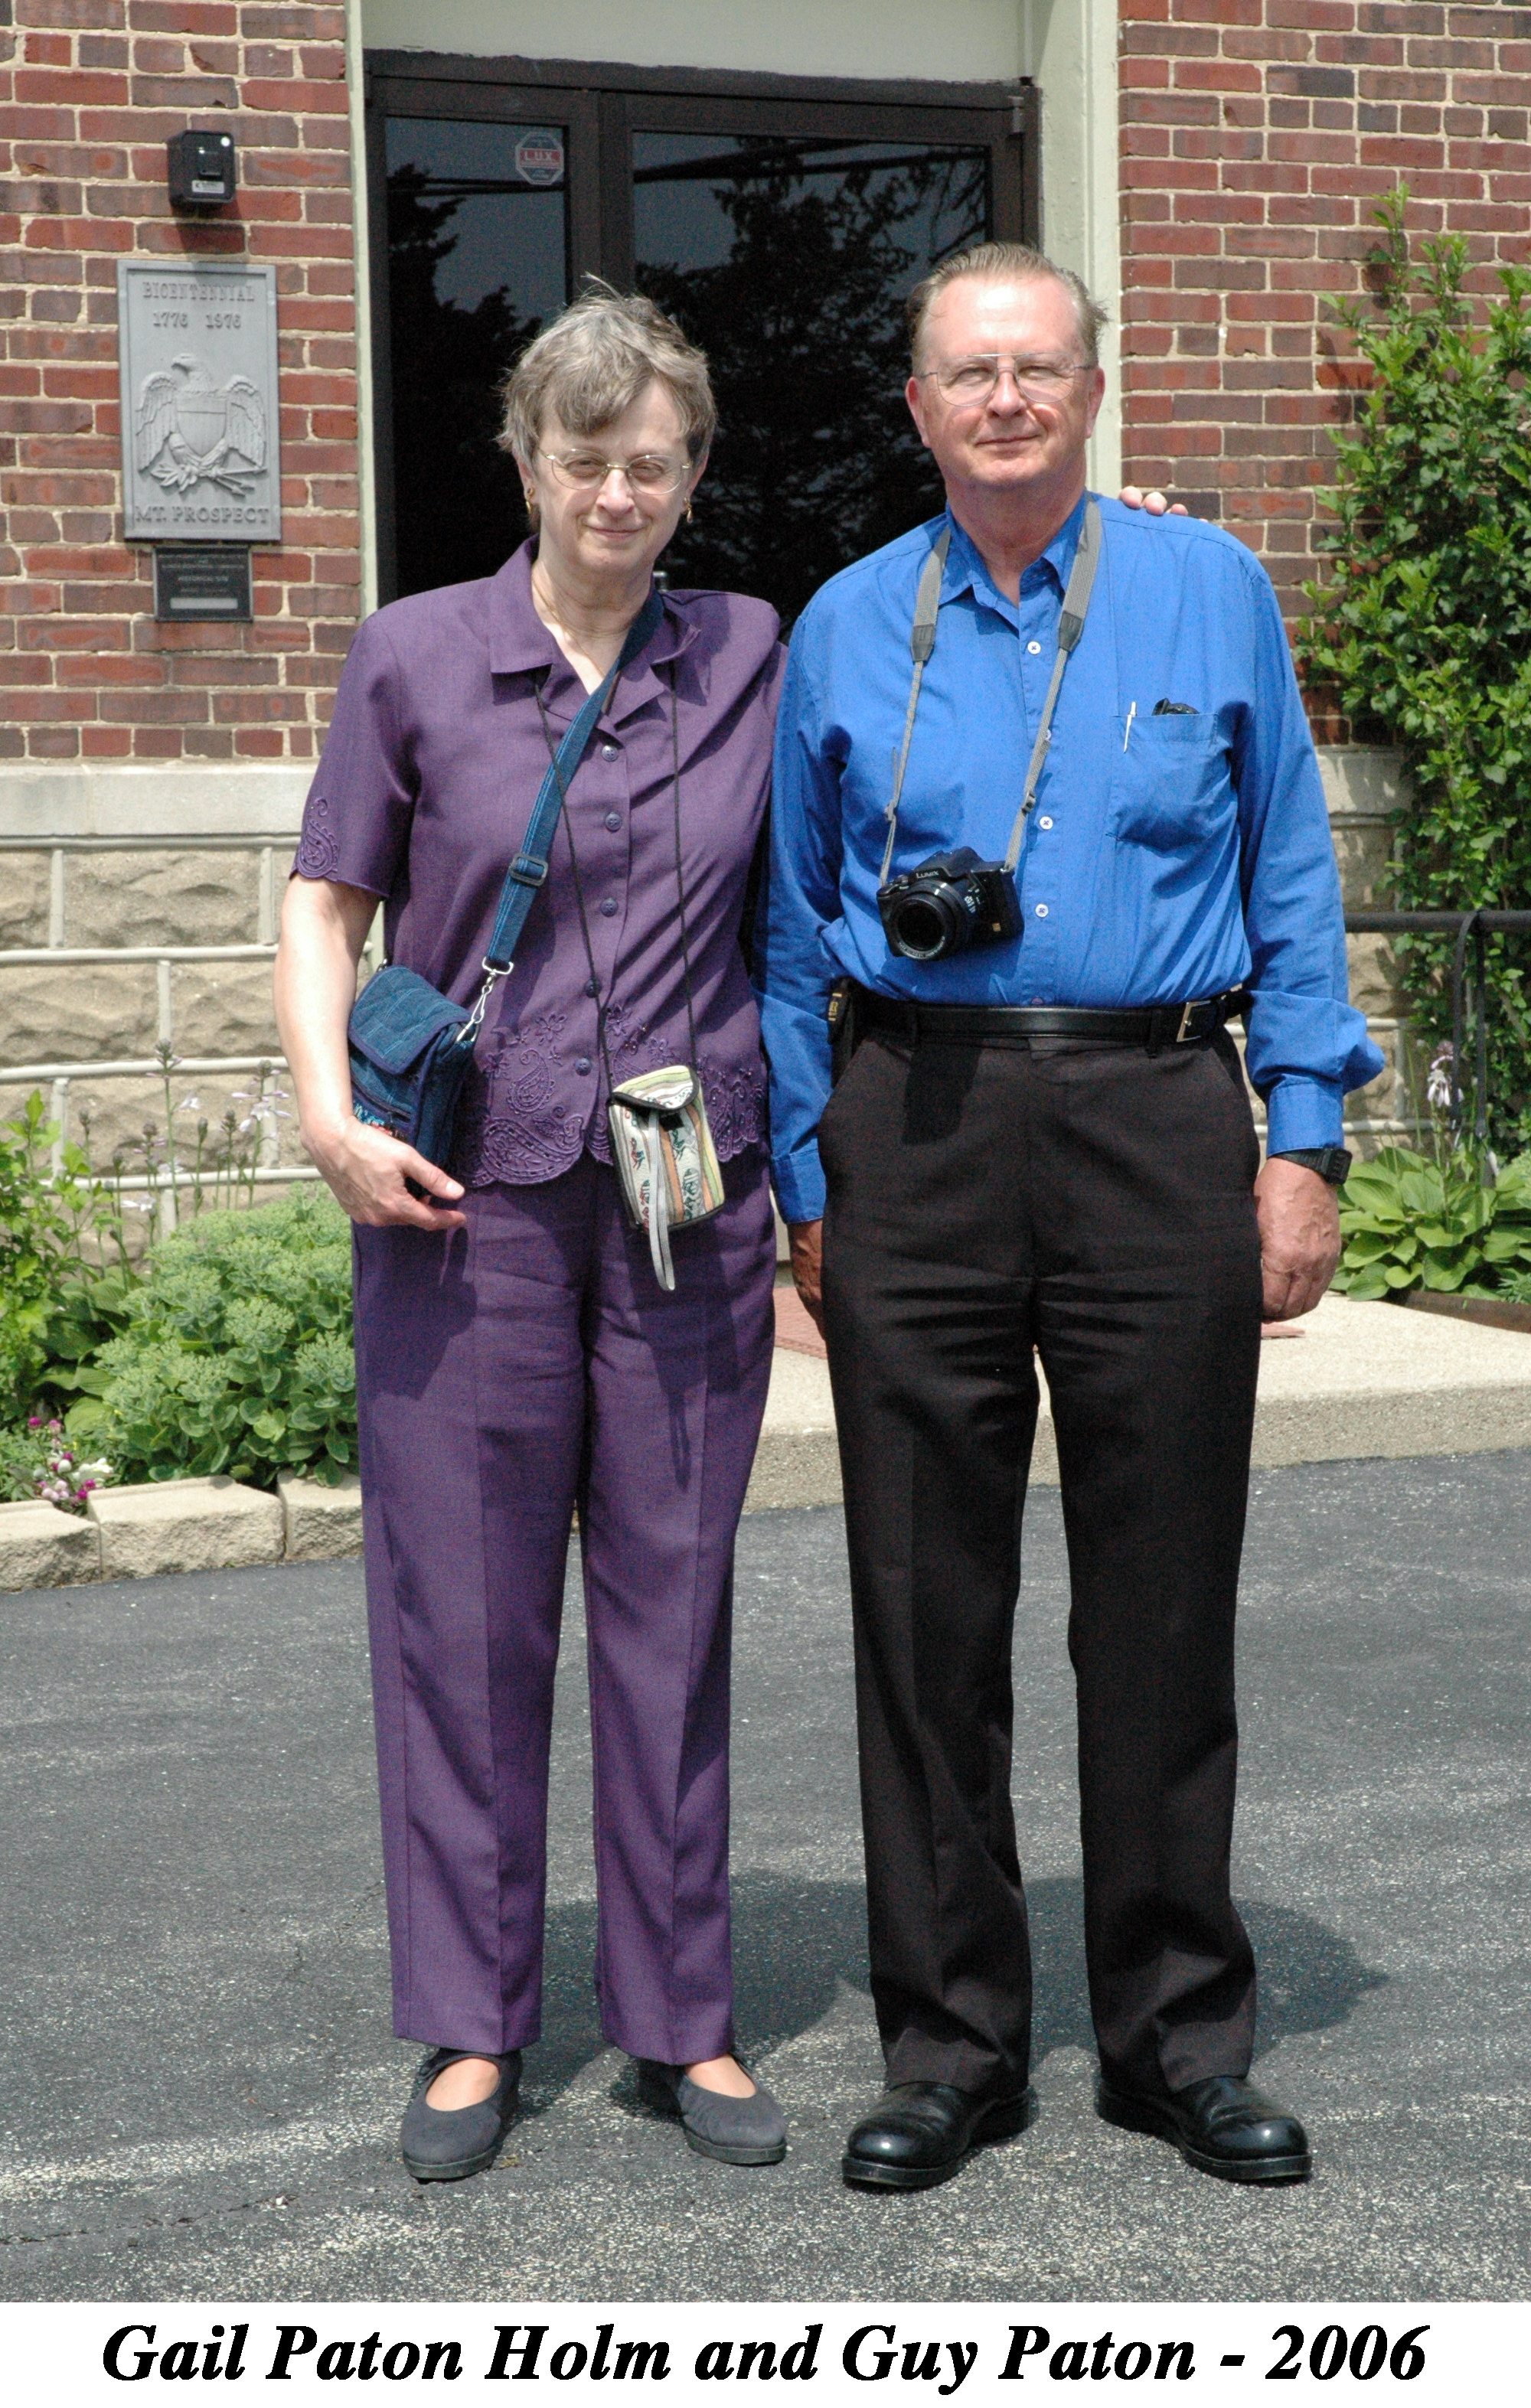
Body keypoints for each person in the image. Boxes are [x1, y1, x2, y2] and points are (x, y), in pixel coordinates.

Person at [756, 242, 1383, 2194]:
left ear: (1090, 390)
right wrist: (805, 1176)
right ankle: (949, 2045)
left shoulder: (1208, 588)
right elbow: (786, 937)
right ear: (919, 407)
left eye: (1036, 365)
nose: (1004, 398)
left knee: (1161, 1601)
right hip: (917, 1126)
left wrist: (1303, 1137)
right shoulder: (850, 623)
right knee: (924, 1611)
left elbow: (1290, 867)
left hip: (1151, 1113)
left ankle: (1175, 2037)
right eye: (968, 372)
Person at [274, 287, 789, 2181]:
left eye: (654, 462)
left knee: (671, 1606)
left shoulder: (749, 651)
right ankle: (474, 2028)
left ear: (692, 470)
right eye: (587, 460)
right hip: (458, 1207)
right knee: (463, 1623)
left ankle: (683, 2019)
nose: (620, 494)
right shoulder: (416, 656)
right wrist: (331, 1120)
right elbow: (329, 902)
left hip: (677, 1206)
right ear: (524, 458)